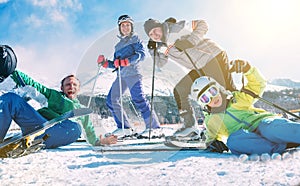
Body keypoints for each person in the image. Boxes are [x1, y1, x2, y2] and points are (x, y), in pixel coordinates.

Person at [0, 45, 117, 148]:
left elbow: (90, 132)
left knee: (76, 128)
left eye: (74, 84)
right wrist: (13, 71)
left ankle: (33, 141)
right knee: (10, 99)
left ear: (79, 89)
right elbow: (35, 86)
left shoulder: (81, 110)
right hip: (38, 124)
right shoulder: (54, 96)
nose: (71, 86)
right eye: (67, 84)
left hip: (59, 132)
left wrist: (100, 141)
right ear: (62, 88)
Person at [143, 18, 236, 139]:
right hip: (199, 68)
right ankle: (190, 127)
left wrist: (190, 41)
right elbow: (160, 63)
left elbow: (203, 24)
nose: (155, 35)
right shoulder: (162, 46)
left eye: (155, 30)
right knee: (180, 90)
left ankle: (246, 120)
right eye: (151, 34)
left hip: (213, 57)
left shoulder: (176, 28)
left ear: (161, 27)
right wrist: (152, 50)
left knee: (227, 91)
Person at [190, 59, 300, 155]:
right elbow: (211, 136)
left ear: (218, 88)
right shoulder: (211, 121)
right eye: (205, 98)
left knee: (271, 129)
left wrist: (248, 70)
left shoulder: (236, 99)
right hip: (248, 137)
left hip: (262, 123)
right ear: (203, 104)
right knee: (233, 141)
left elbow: (258, 85)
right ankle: (281, 146)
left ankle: (294, 134)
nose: (212, 98)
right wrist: (212, 143)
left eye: (212, 91)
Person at [97, 15, 161, 139]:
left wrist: (128, 61)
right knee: (111, 100)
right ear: (119, 28)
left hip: (133, 74)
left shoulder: (135, 39)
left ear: (131, 27)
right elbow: (116, 64)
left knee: (138, 98)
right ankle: (124, 128)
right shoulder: (118, 46)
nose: (125, 27)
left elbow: (141, 55)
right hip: (121, 76)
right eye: (123, 25)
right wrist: (105, 63)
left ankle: (154, 127)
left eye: (128, 25)